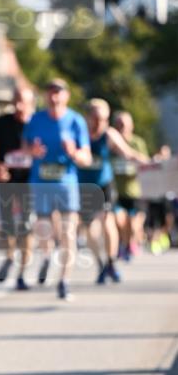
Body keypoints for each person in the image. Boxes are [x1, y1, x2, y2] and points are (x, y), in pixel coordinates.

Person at [23, 78, 91, 301]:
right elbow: (24, 147)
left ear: (66, 96)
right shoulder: (35, 120)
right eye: (51, 92)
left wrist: (74, 153)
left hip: (66, 184)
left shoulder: (76, 121)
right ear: (45, 96)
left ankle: (64, 281)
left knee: (68, 231)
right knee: (43, 230)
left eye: (58, 92)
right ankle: (47, 254)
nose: (54, 97)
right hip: (40, 182)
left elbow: (86, 158)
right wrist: (31, 151)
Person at [80, 99, 148, 283]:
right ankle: (100, 263)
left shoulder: (109, 134)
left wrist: (149, 162)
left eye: (103, 119)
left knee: (108, 221)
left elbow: (128, 153)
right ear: (88, 117)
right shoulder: (79, 132)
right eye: (95, 118)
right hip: (84, 186)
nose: (99, 123)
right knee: (89, 229)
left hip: (104, 184)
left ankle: (111, 262)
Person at [0, 87, 35, 290]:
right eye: (16, 100)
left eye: (23, 101)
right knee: (6, 225)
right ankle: (8, 257)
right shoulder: (3, 122)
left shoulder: (37, 123)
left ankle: (22, 273)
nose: (19, 105)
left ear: (31, 103)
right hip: (6, 181)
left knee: (26, 227)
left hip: (29, 182)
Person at [112, 111, 150, 259]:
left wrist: (133, 158)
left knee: (134, 225)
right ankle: (124, 244)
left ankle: (130, 244)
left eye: (125, 124)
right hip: (117, 191)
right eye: (119, 124)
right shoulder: (111, 142)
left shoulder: (137, 142)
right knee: (119, 221)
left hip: (135, 191)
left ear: (131, 126)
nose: (122, 127)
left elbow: (146, 162)